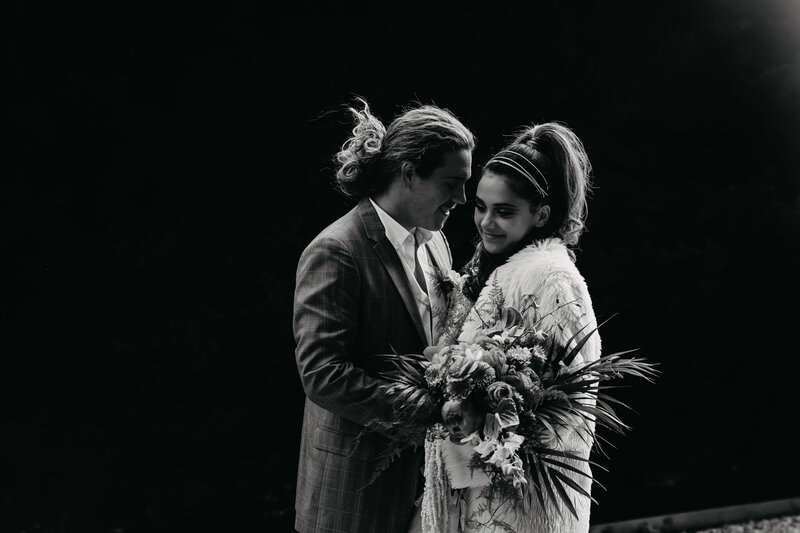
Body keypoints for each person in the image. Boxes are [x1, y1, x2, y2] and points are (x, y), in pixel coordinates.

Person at [293, 97, 476, 533]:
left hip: (429, 486)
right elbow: (323, 374)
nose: (462, 198)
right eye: (452, 183)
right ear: (409, 172)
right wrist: (431, 411)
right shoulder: (337, 250)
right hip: (353, 493)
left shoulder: (436, 243)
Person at [414, 121, 599, 533]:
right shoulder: (491, 271)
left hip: (520, 500)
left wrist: (483, 405)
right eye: (481, 206)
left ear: (541, 215)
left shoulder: (550, 278)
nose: (486, 222)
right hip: (481, 487)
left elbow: (566, 407)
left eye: (504, 211)